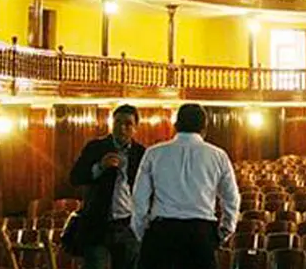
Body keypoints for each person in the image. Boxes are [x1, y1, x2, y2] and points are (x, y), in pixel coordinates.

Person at [133, 104, 240, 269]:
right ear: (204, 129)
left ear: (176, 126)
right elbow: (231, 198)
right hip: (200, 233)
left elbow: (139, 198)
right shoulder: (218, 156)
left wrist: (142, 231)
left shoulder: (154, 153)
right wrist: (224, 231)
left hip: (162, 232)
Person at [70, 104, 145, 269]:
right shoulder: (96, 147)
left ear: (135, 128)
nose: (122, 128)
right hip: (98, 224)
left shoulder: (141, 153)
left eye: (128, 124)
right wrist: (99, 167)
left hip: (128, 225)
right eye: (117, 122)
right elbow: (75, 178)